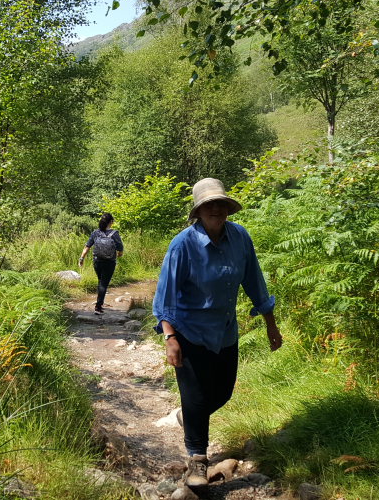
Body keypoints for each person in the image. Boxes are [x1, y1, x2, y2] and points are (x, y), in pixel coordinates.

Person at [153, 178, 283, 491]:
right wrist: (170, 337)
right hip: (189, 332)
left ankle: (191, 416)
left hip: (224, 331)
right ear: (198, 211)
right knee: (196, 395)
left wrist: (270, 323)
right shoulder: (183, 245)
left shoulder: (239, 237)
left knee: (222, 392)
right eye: (209, 205)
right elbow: (165, 295)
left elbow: (254, 281)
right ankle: (197, 460)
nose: (217, 209)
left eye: (221, 204)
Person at [79, 212, 124, 315]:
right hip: (109, 262)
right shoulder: (114, 233)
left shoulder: (96, 233)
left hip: (97, 261)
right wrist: (120, 254)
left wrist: (81, 258)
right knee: (103, 283)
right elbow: (120, 248)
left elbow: (87, 246)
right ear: (111, 222)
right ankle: (98, 307)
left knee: (101, 281)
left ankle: (99, 302)